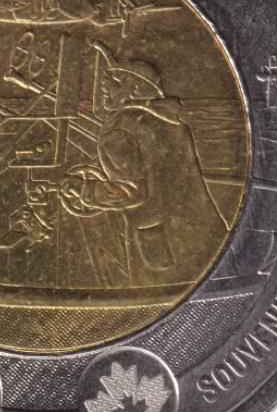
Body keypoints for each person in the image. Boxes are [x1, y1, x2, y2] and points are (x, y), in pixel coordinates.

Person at [59, 43, 226, 286]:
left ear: (134, 89)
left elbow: (132, 191)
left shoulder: (120, 130)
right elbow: (159, 169)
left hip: (162, 242)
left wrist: (84, 190)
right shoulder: (170, 123)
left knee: (160, 293)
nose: (104, 88)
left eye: (113, 83)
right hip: (207, 234)